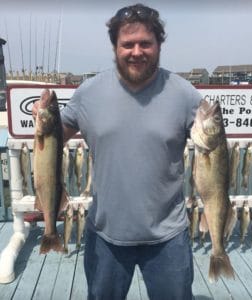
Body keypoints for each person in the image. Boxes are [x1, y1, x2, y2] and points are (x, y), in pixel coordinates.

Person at [36, 3, 202, 299]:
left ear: (158, 45)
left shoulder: (185, 94)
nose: (136, 51)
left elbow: (212, 150)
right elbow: (55, 137)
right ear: (115, 47)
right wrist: (42, 120)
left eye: (145, 43)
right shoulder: (89, 92)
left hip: (168, 237)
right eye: (127, 44)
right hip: (105, 235)